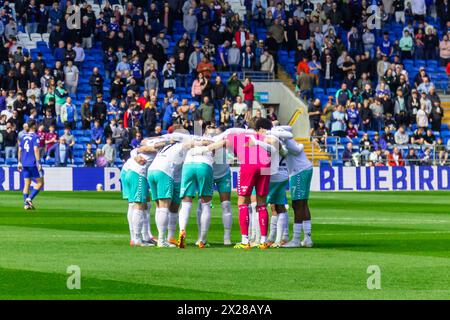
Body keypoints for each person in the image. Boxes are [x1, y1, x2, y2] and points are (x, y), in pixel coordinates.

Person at [17, 120, 44, 210]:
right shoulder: (35, 137)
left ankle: (26, 205)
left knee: (26, 184)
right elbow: (36, 149)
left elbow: (20, 150)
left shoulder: (23, 136)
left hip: (24, 163)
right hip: (32, 163)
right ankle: (29, 199)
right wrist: (39, 162)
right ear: (34, 126)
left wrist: (19, 162)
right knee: (40, 183)